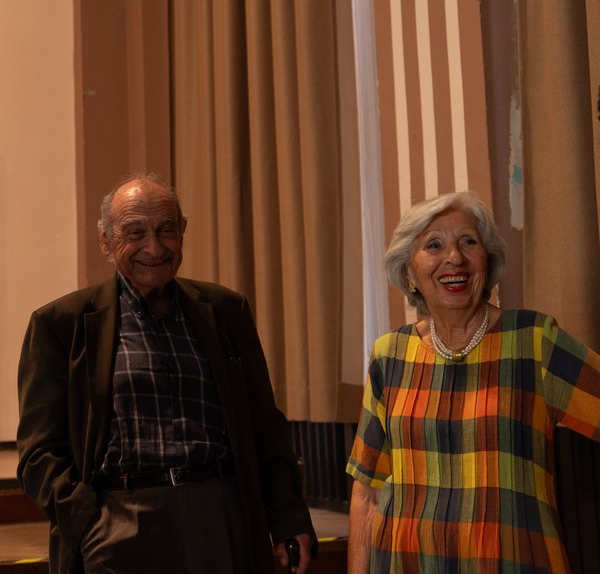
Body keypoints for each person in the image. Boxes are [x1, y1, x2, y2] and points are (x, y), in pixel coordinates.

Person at [17, 174, 316, 574]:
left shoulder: (226, 311)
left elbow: (265, 425)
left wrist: (288, 515)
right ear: (106, 240)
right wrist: (86, 522)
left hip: (220, 514)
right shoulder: (61, 324)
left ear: (183, 231)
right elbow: (39, 451)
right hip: (118, 522)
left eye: (166, 230)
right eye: (134, 233)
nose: (154, 248)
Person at [346, 191, 600, 573]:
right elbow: (367, 491)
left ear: (487, 261)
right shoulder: (389, 355)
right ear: (409, 272)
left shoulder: (533, 341)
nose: (455, 258)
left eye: (468, 242)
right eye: (434, 245)